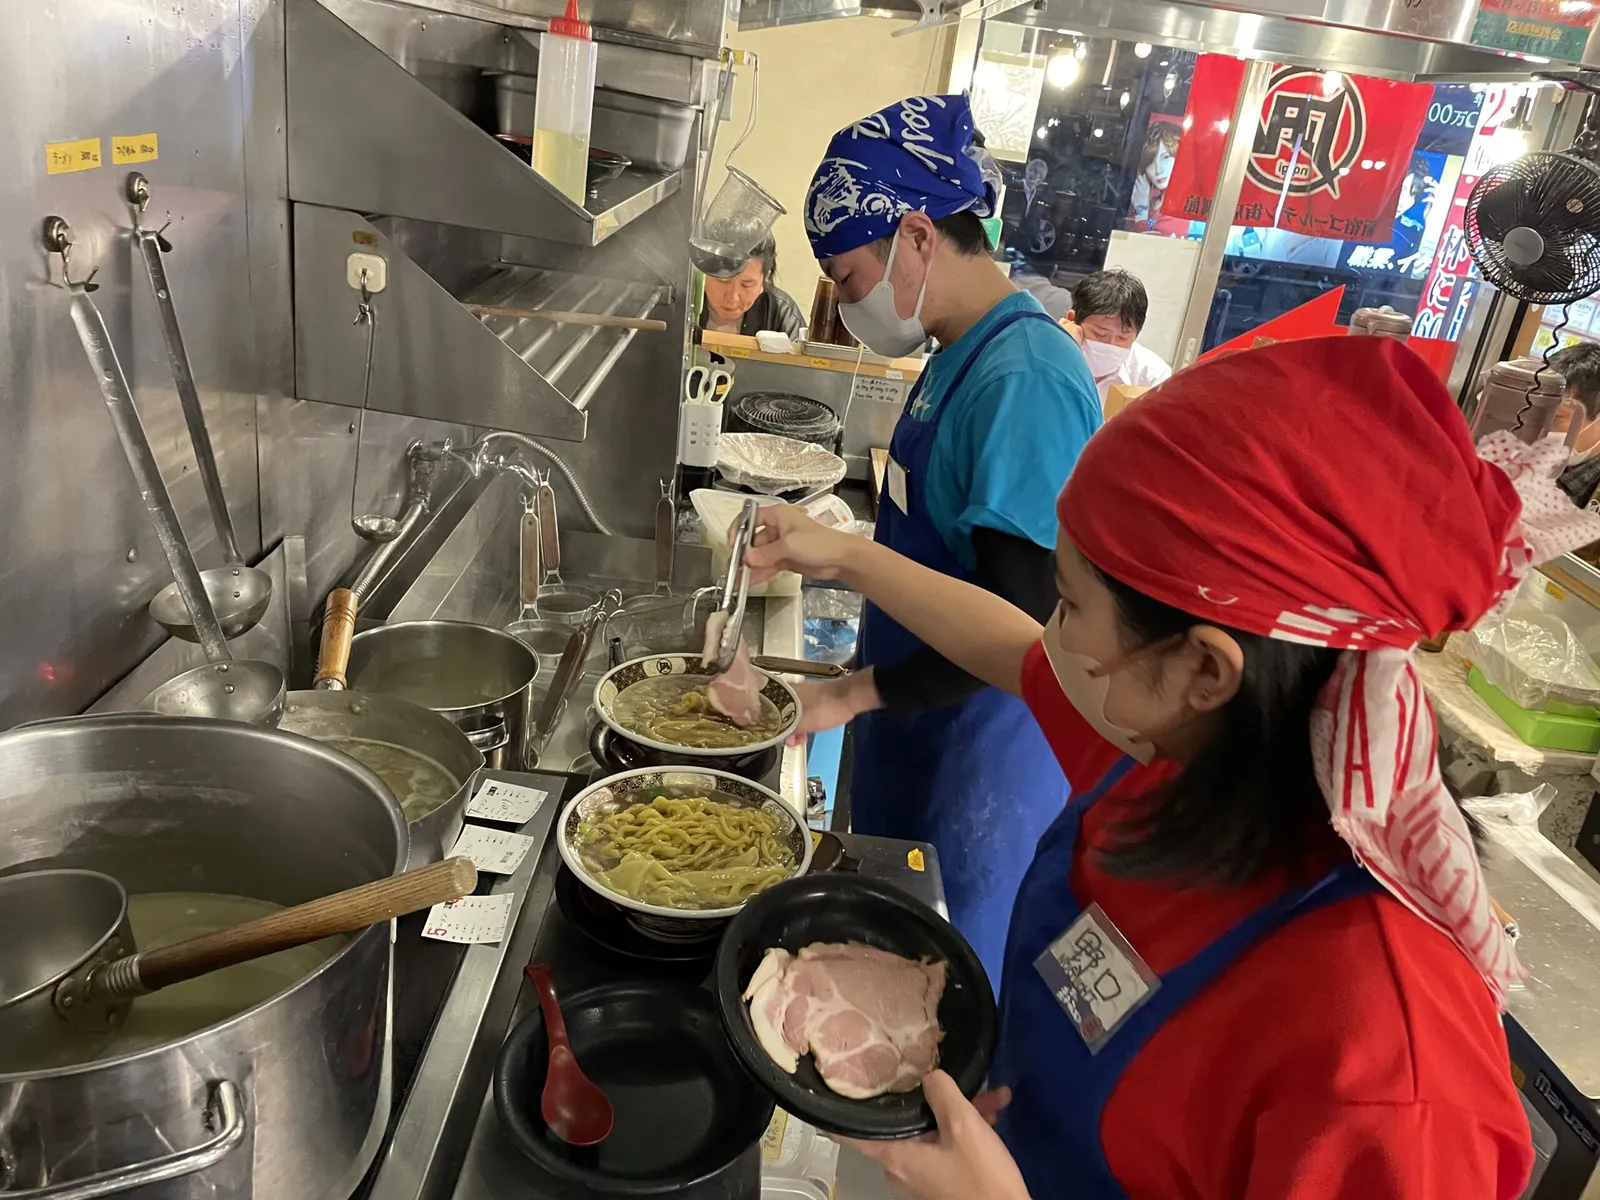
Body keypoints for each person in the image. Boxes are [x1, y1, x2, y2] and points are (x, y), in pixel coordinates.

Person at [742, 336, 1580, 1199]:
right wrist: (843, 554)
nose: (1052, 633)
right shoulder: (1182, 757)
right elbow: (1013, 649)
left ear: (1206, 668)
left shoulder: (1386, 1073)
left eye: (1068, 602)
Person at [800, 93, 1102, 982]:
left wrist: (855, 693)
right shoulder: (954, 352)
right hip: (915, 727)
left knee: (949, 993)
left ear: (919, 236)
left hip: (980, 755)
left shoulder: (1026, 377)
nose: (852, 305)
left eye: (853, 279)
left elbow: (1019, 617)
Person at [1062, 269, 1172, 404]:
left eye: (1122, 338)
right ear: (1073, 319)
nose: (1111, 344)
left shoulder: (1153, 377)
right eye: (1100, 334)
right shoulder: (1046, 358)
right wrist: (1059, 348)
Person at [697, 234, 807, 341]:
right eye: (723, 281)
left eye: (747, 284)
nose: (733, 297)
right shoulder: (684, 303)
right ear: (704, 273)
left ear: (765, 279)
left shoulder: (781, 313)